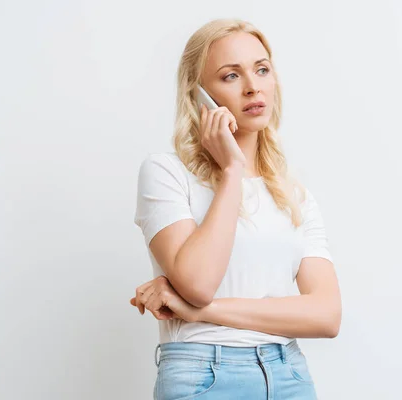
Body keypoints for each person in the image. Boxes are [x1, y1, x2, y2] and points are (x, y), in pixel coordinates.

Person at [130, 18, 342, 400]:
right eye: (230, 76)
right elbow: (198, 283)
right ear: (198, 96)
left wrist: (201, 312)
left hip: (287, 373)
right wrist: (231, 171)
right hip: (202, 374)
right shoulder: (166, 173)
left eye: (262, 69)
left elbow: (327, 316)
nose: (252, 86)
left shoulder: (293, 195)